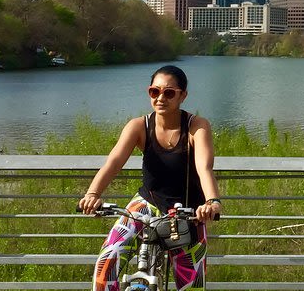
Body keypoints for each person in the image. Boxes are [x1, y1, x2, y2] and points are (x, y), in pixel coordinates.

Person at [78, 65, 222, 291]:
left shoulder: (197, 126)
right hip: (147, 203)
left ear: (183, 95)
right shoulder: (139, 126)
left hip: (187, 211)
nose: (160, 98)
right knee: (106, 264)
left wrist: (212, 202)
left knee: (192, 284)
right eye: (154, 91)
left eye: (169, 92)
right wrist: (92, 194)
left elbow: (204, 168)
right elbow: (114, 162)